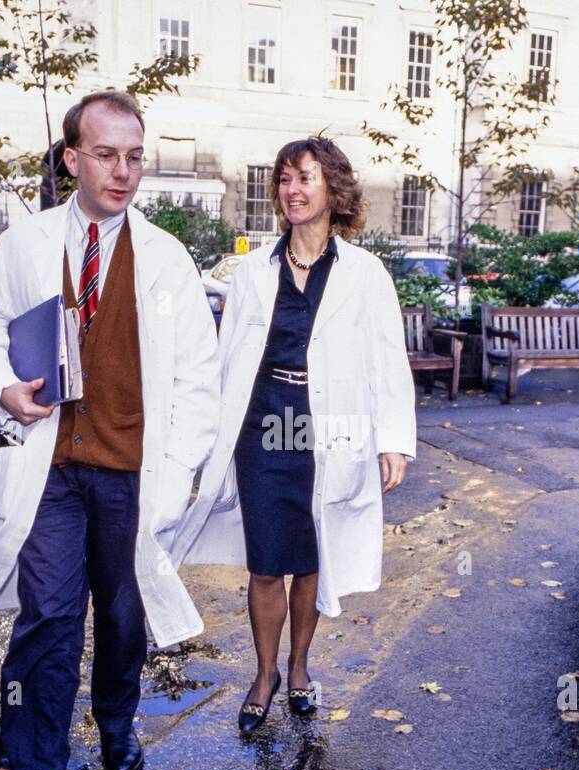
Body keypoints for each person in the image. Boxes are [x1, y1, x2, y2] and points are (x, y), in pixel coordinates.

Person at [0, 90, 219, 770]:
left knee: (121, 616)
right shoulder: (25, 244)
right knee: (48, 618)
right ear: (72, 159)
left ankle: (118, 724)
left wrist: (177, 469)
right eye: (107, 154)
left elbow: (197, 376)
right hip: (48, 468)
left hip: (129, 471)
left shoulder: (167, 260)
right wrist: (1, 390)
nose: (124, 172)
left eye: (135, 156)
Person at [170, 136, 416, 735]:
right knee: (265, 563)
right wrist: (201, 434)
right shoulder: (254, 270)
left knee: (309, 560)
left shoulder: (365, 274)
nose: (293, 190)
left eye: (305, 178)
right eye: (284, 179)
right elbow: (225, 358)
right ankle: (264, 675)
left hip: (329, 426)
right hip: (263, 423)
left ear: (333, 188)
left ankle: (300, 668)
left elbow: (388, 359)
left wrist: (393, 439)